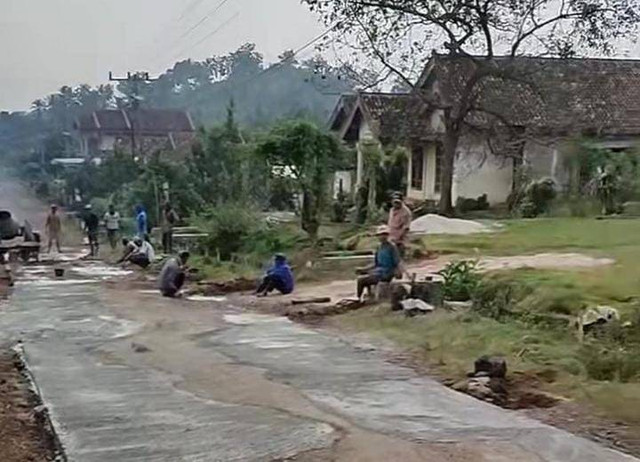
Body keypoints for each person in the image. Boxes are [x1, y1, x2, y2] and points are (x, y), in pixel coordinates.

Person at [356, 225, 401, 301]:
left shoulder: (391, 247)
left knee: (361, 280)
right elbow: (375, 263)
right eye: (380, 235)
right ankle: (368, 296)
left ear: (387, 235)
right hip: (378, 271)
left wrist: (398, 272)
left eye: (384, 234)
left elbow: (397, 262)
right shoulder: (379, 248)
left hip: (386, 273)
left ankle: (358, 299)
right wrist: (363, 269)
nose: (382, 237)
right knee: (363, 275)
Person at [387, 193, 412, 258]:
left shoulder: (406, 212)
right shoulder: (392, 210)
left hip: (400, 238)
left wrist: (398, 237)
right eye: (394, 202)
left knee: (399, 257)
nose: (396, 204)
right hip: (391, 235)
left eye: (397, 202)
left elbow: (406, 227)